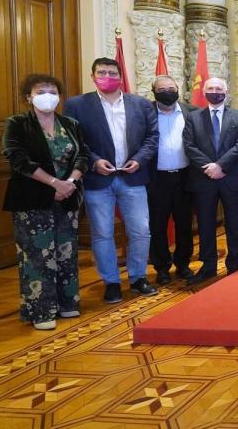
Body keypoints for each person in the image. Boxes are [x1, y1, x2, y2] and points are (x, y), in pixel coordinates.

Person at [64, 58, 159, 303]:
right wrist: (94, 161)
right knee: (103, 233)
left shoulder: (140, 104)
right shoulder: (77, 105)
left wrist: (139, 159)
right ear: (92, 75)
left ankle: (138, 278)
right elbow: (75, 141)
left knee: (141, 231)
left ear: (120, 76)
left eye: (112, 72)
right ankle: (112, 282)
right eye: (102, 72)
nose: (108, 76)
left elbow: (152, 137)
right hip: (98, 179)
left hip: (133, 177)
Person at [3, 75, 88, 330]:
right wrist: (54, 183)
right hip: (33, 198)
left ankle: (67, 303)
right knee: (37, 255)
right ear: (29, 96)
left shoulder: (70, 123)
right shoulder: (17, 124)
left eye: (53, 91)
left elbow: (83, 154)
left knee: (66, 251)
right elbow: (17, 158)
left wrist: (69, 182)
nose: (48, 95)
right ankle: (40, 311)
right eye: (41, 91)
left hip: (67, 197)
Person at [184, 77, 238, 284]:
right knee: (205, 224)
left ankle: (234, 263)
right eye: (211, 88)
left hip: (232, 178)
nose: (215, 91)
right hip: (204, 179)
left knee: (234, 222)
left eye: (219, 88)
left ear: (226, 91)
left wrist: (220, 166)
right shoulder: (193, 117)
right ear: (204, 91)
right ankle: (208, 266)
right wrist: (210, 167)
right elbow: (189, 146)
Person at [147, 75, 196, 285]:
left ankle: (183, 263)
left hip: (185, 176)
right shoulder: (145, 112)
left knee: (184, 223)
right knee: (157, 225)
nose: (167, 92)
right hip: (156, 178)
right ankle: (161, 267)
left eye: (171, 88)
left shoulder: (191, 112)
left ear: (178, 89)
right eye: (161, 89)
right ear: (154, 92)